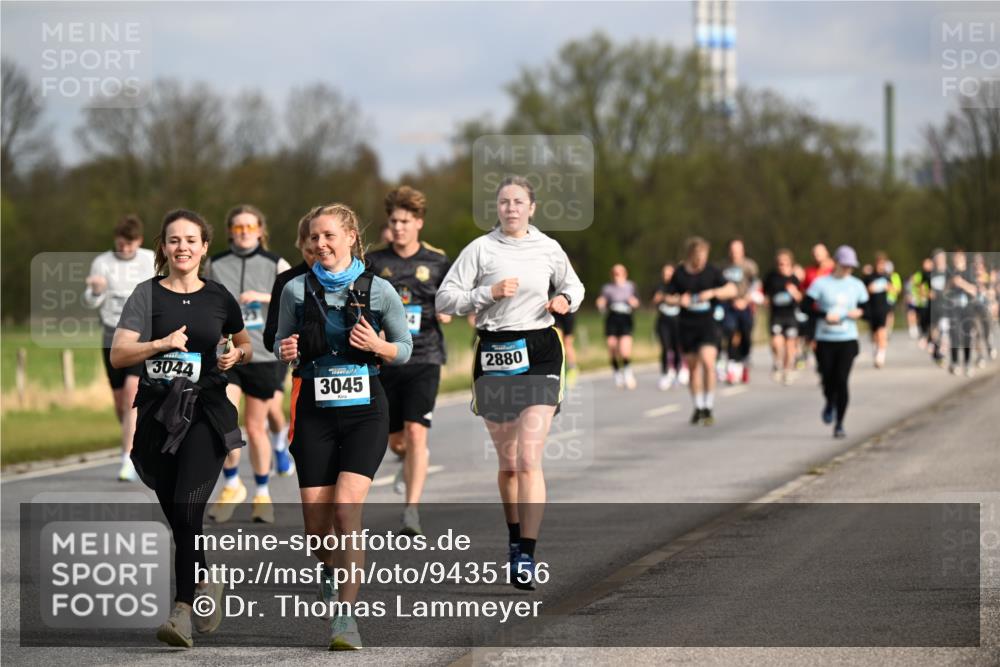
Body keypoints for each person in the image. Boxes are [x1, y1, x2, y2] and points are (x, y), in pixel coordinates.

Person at [436, 175, 584, 591]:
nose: (511, 208)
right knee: (508, 464)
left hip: (540, 350)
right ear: (496, 209)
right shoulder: (480, 249)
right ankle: (514, 537)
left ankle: (528, 555)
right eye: (504, 202)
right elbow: (445, 299)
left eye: (519, 202)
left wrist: (565, 300)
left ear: (532, 208)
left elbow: (574, 284)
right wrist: (487, 292)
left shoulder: (548, 247)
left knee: (528, 460)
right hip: (496, 352)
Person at [111, 209, 251, 648]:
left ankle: (182, 611)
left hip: (205, 412)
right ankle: (208, 578)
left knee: (188, 512)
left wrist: (235, 357)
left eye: (191, 240)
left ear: (204, 246)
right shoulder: (145, 295)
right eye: (174, 240)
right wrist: (160, 343)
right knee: (178, 514)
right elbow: (118, 355)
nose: (183, 247)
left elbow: (243, 341)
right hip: (158, 416)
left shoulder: (219, 297)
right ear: (164, 248)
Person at [275, 203, 412, 650]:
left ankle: (345, 619)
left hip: (365, 412)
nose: (320, 245)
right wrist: (286, 347)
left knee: (345, 512)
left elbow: (405, 348)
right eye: (314, 237)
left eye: (329, 235)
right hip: (314, 411)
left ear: (352, 236)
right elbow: (279, 342)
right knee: (317, 530)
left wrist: (379, 345)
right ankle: (332, 572)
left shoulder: (380, 291)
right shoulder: (295, 290)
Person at [366, 186, 451, 536]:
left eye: (405, 221)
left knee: (417, 432)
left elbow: (453, 298)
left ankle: (411, 510)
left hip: (425, 356)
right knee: (395, 441)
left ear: (418, 222)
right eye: (393, 221)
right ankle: (404, 460)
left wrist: (449, 311)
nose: (398, 227)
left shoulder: (437, 261)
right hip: (386, 360)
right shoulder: (375, 262)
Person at [206, 206, 292, 524]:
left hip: (263, 355)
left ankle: (262, 494)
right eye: (237, 227)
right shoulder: (215, 263)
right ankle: (231, 484)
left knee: (256, 427)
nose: (243, 232)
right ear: (229, 231)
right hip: (228, 353)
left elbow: (295, 297)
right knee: (225, 420)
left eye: (249, 226)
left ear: (260, 230)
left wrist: (264, 297)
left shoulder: (275, 263)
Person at [82, 215, 156, 481]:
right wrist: (95, 291)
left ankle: (127, 460)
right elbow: (90, 302)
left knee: (130, 395)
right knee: (119, 403)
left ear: (140, 241)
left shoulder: (149, 259)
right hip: (111, 333)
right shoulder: (102, 262)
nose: (125, 249)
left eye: (130, 244)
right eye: (121, 244)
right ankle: (135, 439)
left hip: (140, 333)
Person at [663, 237, 738, 426]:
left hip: (708, 322)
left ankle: (708, 405)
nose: (701, 260)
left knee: (708, 362)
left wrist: (712, 293)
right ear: (690, 255)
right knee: (693, 367)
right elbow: (666, 297)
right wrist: (680, 300)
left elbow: (732, 289)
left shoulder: (712, 271)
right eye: (698, 256)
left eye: (704, 256)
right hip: (687, 324)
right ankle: (697, 406)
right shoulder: (680, 273)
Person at [263, 213, 316, 466]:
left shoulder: (361, 278)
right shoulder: (287, 282)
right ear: (301, 245)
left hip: (353, 382)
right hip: (305, 378)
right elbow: (270, 336)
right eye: (309, 250)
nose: (316, 255)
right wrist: (285, 346)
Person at [803, 245, 869, 439]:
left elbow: (868, 309)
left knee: (842, 380)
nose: (848, 269)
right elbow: (805, 307)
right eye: (845, 265)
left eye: (851, 266)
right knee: (827, 379)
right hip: (824, 339)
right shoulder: (821, 283)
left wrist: (860, 312)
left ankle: (839, 423)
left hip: (847, 339)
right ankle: (829, 402)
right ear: (836, 263)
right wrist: (825, 315)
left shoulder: (856, 285)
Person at [721, 239, 760, 384]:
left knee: (745, 334)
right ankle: (732, 367)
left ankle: (744, 360)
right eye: (732, 250)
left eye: (737, 250)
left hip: (745, 305)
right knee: (730, 332)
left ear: (742, 251)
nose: (734, 253)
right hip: (729, 305)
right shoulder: (724, 266)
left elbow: (755, 284)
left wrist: (746, 300)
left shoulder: (749, 265)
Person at [596, 264, 640, 389]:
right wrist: (600, 303)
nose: (617, 276)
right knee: (612, 346)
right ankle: (616, 373)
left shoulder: (631, 286)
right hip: (612, 318)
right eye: (615, 274)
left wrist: (634, 303)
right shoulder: (607, 288)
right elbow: (602, 301)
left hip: (625, 318)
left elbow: (637, 302)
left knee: (624, 350)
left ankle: (627, 371)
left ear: (625, 274)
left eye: (619, 274)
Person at [763, 249, 803, 384]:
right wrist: (765, 301)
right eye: (780, 264)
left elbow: (800, 298)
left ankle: (787, 369)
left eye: (785, 264)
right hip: (776, 315)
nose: (782, 266)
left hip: (790, 315)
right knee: (776, 341)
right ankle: (778, 362)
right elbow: (765, 294)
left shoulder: (794, 279)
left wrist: (793, 292)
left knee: (790, 344)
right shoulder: (771, 277)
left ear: (790, 264)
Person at [799, 243, 836, 369]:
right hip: (814, 311)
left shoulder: (833, 270)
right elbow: (803, 290)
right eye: (815, 254)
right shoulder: (809, 271)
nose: (817, 256)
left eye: (819, 253)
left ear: (826, 254)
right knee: (813, 338)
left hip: (830, 311)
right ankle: (818, 360)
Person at [946, 249, 978, 377]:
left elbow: (974, 291)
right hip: (953, 309)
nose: (956, 261)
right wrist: (951, 282)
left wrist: (962, 283)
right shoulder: (950, 273)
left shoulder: (969, 273)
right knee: (953, 335)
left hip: (967, 309)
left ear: (963, 259)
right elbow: (944, 292)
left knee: (967, 337)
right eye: (954, 258)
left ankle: (967, 363)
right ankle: (954, 363)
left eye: (958, 258)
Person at [652, 263, 684, 390]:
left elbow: (681, 300)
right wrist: (663, 298)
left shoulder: (679, 286)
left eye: (670, 273)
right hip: (663, 321)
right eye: (665, 273)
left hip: (677, 321)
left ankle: (676, 372)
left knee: (676, 348)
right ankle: (665, 374)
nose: (667, 276)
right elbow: (655, 300)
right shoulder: (659, 286)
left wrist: (667, 298)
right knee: (665, 347)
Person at [863, 252, 893, 369]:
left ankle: (881, 355)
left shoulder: (887, 277)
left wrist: (889, 288)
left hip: (883, 307)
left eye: (883, 264)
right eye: (879, 264)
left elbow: (893, 289)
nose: (881, 266)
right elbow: (864, 290)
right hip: (872, 307)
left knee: (882, 331)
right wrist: (870, 289)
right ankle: (877, 350)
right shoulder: (869, 277)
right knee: (874, 333)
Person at [927, 248, 949, 367]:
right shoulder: (931, 273)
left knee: (945, 329)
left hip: (946, 306)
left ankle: (942, 353)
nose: (940, 261)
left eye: (942, 258)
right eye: (938, 259)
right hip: (934, 307)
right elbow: (923, 288)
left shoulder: (949, 272)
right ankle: (936, 349)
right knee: (934, 331)